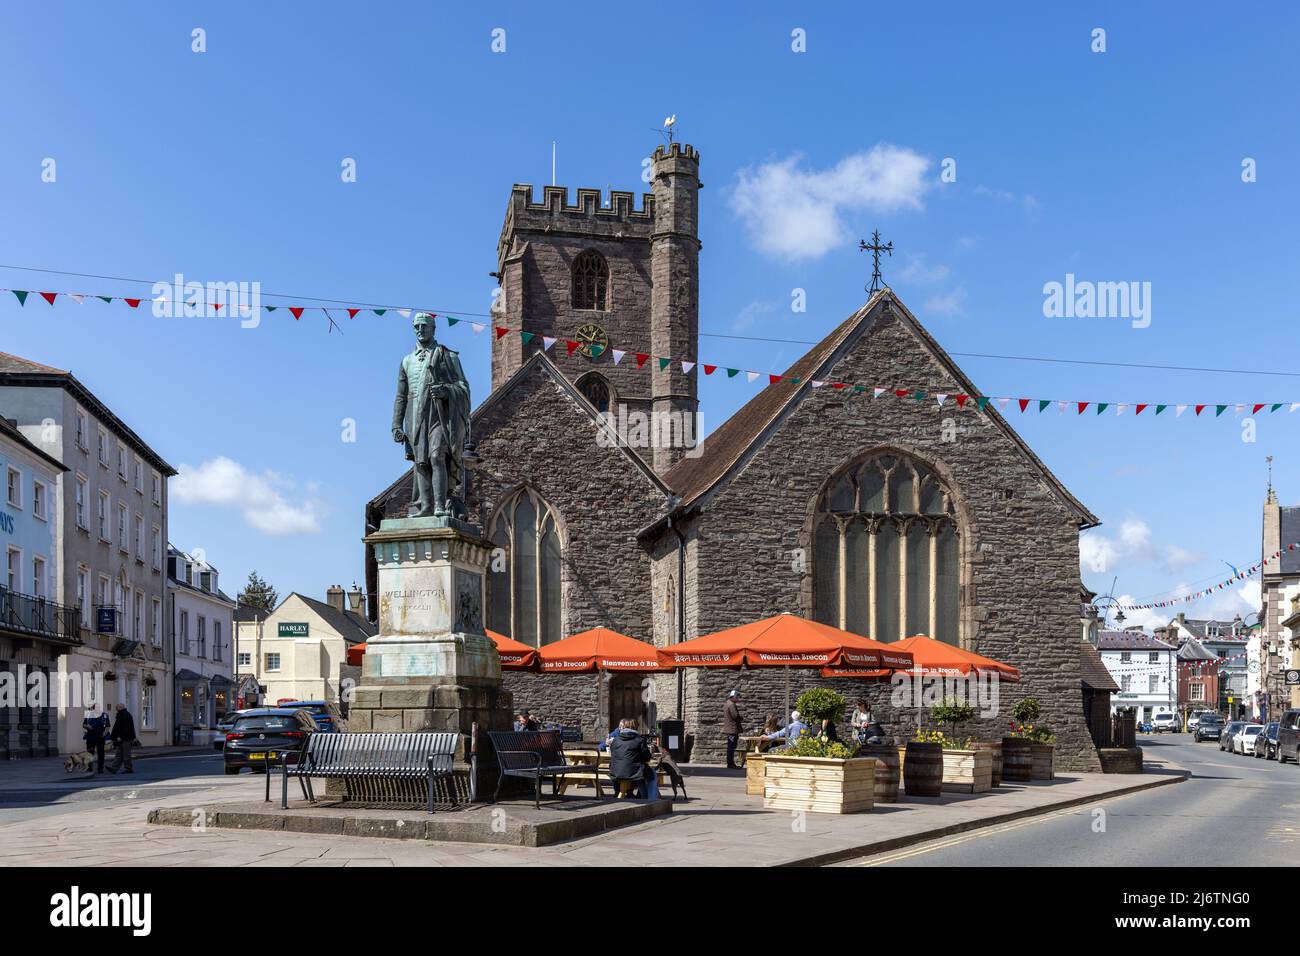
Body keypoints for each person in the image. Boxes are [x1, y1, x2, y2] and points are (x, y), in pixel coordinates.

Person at [607, 718, 652, 798]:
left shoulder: (615, 740)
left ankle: (620, 792)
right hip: (634, 771)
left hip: (616, 772)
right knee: (647, 773)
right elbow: (647, 757)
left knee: (631, 769)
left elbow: (613, 754)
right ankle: (644, 797)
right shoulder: (640, 740)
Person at [108, 703, 136, 774]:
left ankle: (128, 768)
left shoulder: (125, 715)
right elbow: (118, 727)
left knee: (126, 754)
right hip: (121, 738)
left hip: (126, 739)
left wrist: (121, 737)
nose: (116, 709)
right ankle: (114, 768)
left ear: (120, 707)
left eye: (117, 708)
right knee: (119, 754)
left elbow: (126, 728)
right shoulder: (122, 714)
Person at [81, 709, 110, 775]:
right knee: (89, 753)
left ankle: (100, 768)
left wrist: (104, 734)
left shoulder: (104, 715)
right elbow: (84, 724)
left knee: (101, 753)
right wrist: (87, 726)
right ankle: (89, 767)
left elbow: (107, 726)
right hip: (90, 737)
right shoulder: (89, 715)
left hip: (100, 737)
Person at [722, 690, 743, 769]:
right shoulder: (731, 705)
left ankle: (730, 763)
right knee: (731, 747)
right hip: (732, 729)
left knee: (730, 747)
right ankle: (730, 764)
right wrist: (741, 718)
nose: (738, 699)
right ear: (733, 697)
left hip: (730, 729)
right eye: (737, 697)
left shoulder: (727, 703)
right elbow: (735, 716)